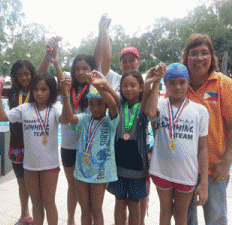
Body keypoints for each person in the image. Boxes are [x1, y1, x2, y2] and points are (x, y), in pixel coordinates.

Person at [94, 15, 151, 223]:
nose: (128, 64)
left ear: (138, 61)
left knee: (138, 200)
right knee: (120, 200)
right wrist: (103, 31)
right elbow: (103, 62)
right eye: (124, 60)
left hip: (140, 154)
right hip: (119, 154)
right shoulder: (117, 79)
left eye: (132, 60)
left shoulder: (146, 83)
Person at [183, 34, 232, 225]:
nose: (199, 58)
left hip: (215, 167)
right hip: (184, 167)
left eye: (204, 53)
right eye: (194, 54)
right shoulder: (178, 85)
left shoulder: (224, 85)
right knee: (186, 218)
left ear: (212, 57)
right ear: (186, 58)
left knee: (216, 218)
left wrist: (227, 161)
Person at [145, 63, 209, 225]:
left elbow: (203, 148)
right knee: (165, 212)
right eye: (171, 83)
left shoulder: (200, 111)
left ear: (188, 83)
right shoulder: (159, 105)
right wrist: (157, 79)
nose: (177, 87)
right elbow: (150, 113)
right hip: (161, 170)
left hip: (186, 174)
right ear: (165, 85)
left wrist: (204, 182)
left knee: (181, 216)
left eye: (182, 82)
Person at [0, 73, 60, 225]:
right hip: (29, 166)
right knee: (36, 203)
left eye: (44, 89)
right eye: (36, 89)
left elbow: (65, 119)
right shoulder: (25, 108)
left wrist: (67, 95)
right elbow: (0, 117)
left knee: (49, 203)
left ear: (51, 91)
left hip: (50, 166)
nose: (39, 93)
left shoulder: (56, 108)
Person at [60, 70, 119, 225]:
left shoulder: (110, 121)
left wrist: (97, 86)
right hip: (81, 171)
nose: (95, 108)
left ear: (105, 104)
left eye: (99, 103)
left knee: (96, 210)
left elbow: (113, 103)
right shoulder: (85, 119)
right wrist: (66, 94)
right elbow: (69, 118)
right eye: (91, 104)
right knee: (85, 210)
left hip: (99, 174)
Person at [106, 68, 162, 225]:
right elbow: (109, 91)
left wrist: (155, 80)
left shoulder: (143, 107)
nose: (129, 89)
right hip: (118, 167)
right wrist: (101, 82)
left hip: (138, 169)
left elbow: (151, 112)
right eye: (125, 85)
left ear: (141, 88)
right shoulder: (119, 105)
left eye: (133, 85)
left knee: (135, 205)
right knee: (119, 202)